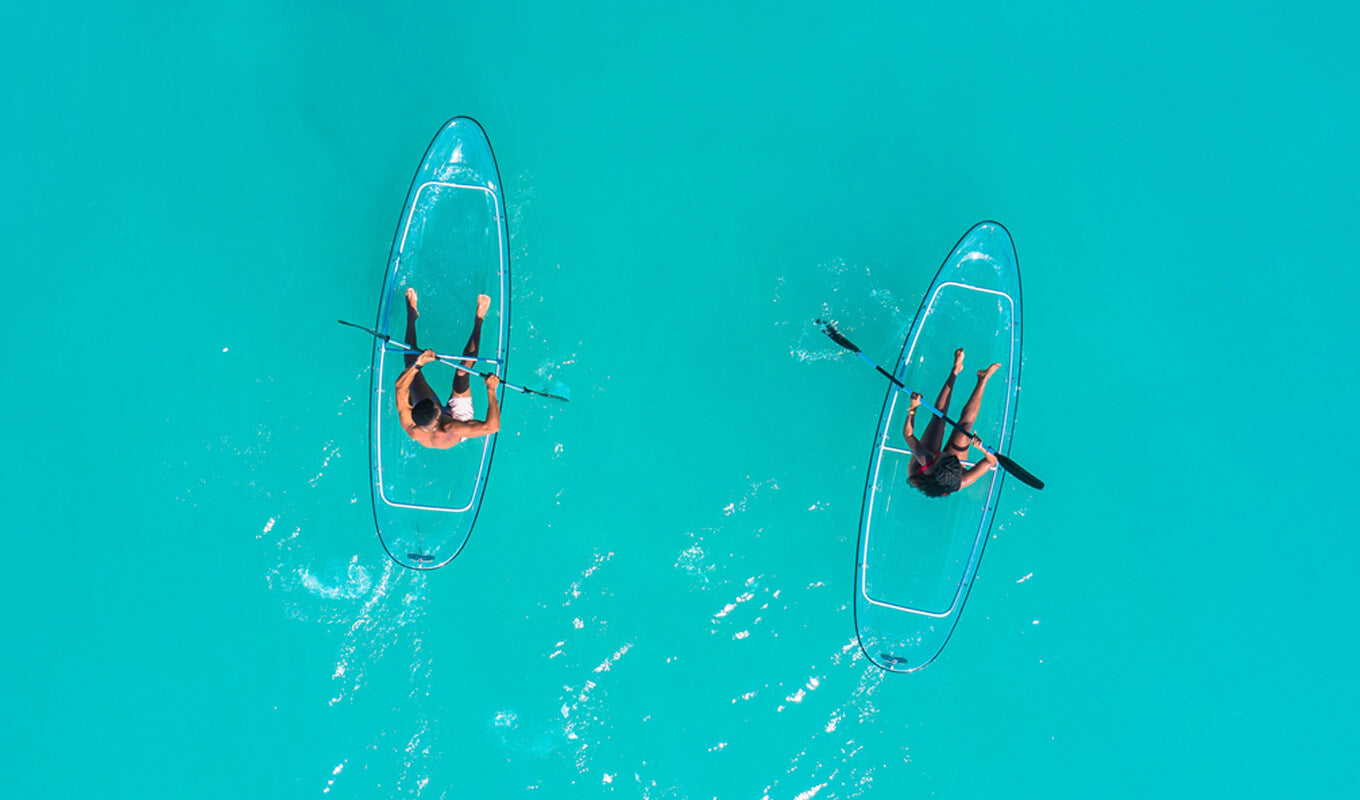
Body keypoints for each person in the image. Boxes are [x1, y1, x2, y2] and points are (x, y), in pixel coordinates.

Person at [394, 288, 500, 449]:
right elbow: (492, 427)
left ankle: (411, 317)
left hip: (431, 419)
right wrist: (491, 390)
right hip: (458, 418)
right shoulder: (453, 429)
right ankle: (479, 318)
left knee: (411, 370)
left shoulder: (410, 424)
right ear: (437, 416)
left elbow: (399, 386)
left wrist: (418, 363)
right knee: (462, 372)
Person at [903, 349, 1000, 497]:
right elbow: (991, 461)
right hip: (945, 472)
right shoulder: (962, 480)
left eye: (941, 455)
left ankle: (955, 370)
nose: (943, 452)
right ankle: (983, 378)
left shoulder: (927, 460)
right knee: (965, 428)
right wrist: (982, 449)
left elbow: (908, 435)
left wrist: (913, 408)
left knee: (938, 420)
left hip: (920, 470)